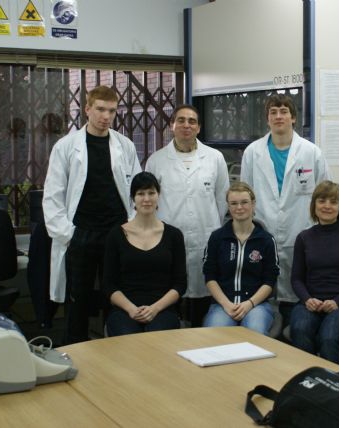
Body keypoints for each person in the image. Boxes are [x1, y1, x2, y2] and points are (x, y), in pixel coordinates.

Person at [43, 85, 141, 344]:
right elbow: (52, 197)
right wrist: (69, 234)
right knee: (79, 300)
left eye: (111, 110)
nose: (105, 116)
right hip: (81, 235)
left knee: (116, 297)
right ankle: (76, 350)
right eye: (100, 109)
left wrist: (131, 226)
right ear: (87, 109)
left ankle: (115, 351)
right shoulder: (66, 147)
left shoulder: (125, 146)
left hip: (116, 233)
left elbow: (137, 192)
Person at [240, 94, 330, 326]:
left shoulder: (311, 152)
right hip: (262, 231)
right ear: (267, 119)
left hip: (300, 229)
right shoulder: (253, 152)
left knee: (295, 297)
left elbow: (325, 195)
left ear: (293, 118)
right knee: (263, 296)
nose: (278, 116)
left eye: (283, 111)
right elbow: (245, 194)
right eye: (273, 112)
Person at [144, 104, 229, 327]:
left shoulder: (215, 158)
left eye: (192, 121)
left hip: (205, 235)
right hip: (168, 240)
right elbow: (149, 201)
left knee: (203, 292)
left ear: (199, 127)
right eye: (180, 120)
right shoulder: (157, 160)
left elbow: (222, 199)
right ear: (172, 126)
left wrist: (212, 225)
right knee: (172, 293)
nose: (186, 125)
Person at [289, 181, 339, 365]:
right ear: (314, 205)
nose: (327, 206)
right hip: (311, 302)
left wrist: (337, 301)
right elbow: (296, 279)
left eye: (333, 202)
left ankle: (331, 387)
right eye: (322, 200)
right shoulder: (304, 237)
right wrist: (307, 299)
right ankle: (306, 383)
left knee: (329, 338)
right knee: (299, 331)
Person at [103, 172, 186, 336]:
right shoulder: (115, 235)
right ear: (133, 198)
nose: (146, 199)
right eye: (140, 194)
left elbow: (180, 285)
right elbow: (109, 286)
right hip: (125, 310)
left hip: (163, 309)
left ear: (158, 195)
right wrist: (131, 309)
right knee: (129, 341)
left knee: (157, 339)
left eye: (151, 193)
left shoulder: (174, 235)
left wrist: (154, 309)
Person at [202, 182, 279, 335]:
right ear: (228, 207)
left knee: (254, 334)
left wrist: (249, 304)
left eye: (244, 202)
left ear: (253, 204)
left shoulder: (266, 240)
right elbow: (209, 276)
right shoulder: (217, 238)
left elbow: (270, 281)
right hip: (223, 304)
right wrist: (226, 304)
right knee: (215, 336)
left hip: (257, 304)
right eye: (234, 203)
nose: (239, 207)